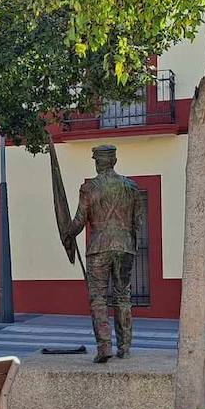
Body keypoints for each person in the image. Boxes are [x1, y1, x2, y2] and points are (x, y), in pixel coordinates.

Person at [63, 144, 145, 362]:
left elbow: (79, 221)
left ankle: (104, 346)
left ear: (97, 162)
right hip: (125, 247)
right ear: (114, 162)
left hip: (99, 247)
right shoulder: (132, 187)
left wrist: (67, 232)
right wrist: (130, 245)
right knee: (123, 296)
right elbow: (138, 222)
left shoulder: (89, 188)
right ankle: (125, 347)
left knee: (98, 297)